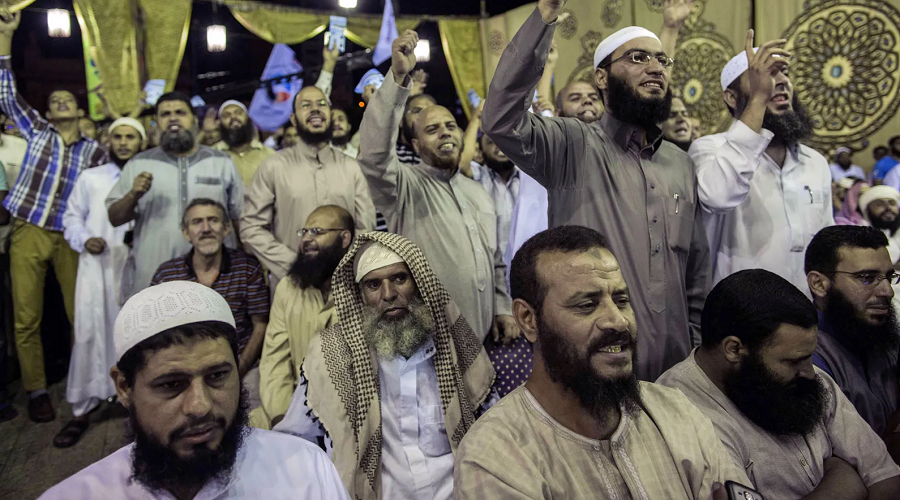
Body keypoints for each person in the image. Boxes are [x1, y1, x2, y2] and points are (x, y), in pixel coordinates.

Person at [483, 0, 711, 381]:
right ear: (602, 78)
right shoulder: (572, 145)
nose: (655, 67)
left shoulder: (680, 164)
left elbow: (697, 274)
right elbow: (501, 119)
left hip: (677, 373)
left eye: (661, 60)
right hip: (595, 372)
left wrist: (697, 354)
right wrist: (544, 18)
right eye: (637, 58)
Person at [455, 226, 748, 499]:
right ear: (528, 319)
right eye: (587, 305)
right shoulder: (495, 455)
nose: (618, 321)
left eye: (621, 301)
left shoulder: (677, 412)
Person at [38, 281, 348, 499]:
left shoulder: (305, 471)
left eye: (217, 376)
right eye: (171, 385)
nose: (200, 407)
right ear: (124, 387)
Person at [274, 231, 498, 500]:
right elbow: (293, 443)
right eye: (373, 285)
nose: (388, 294)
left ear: (419, 283)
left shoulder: (454, 343)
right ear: (361, 295)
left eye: (399, 279)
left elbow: (494, 428)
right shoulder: (332, 356)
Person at [658, 269, 900, 498]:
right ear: (734, 349)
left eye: (808, 357)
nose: (810, 373)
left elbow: (884, 477)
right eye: (794, 361)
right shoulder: (679, 412)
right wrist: (843, 475)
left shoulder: (804, 377)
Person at [358, 30, 518, 348]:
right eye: (432, 129)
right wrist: (397, 78)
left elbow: (495, 259)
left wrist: (502, 307)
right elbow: (374, 155)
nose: (445, 133)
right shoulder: (403, 187)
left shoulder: (476, 191)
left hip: (484, 342)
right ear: (416, 145)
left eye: (450, 126)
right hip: (429, 346)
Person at [0, 9, 109, 422]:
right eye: (53, 101)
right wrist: (6, 37)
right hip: (28, 229)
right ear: (47, 114)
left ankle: (89, 383)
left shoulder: (94, 152)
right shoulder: (36, 132)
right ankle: (37, 390)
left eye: (68, 100)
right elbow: (6, 94)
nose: (60, 101)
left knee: (79, 312)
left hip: (69, 236)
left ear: (79, 111)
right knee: (26, 317)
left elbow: (108, 187)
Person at [690, 32, 833, 295]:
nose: (780, 82)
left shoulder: (816, 162)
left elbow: (825, 244)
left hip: (806, 308)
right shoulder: (710, 149)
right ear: (732, 97)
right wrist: (758, 98)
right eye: (764, 76)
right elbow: (719, 196)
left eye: (783, 73)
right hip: (740, 309)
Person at [55, 118, 146, 448]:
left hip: (134, 268)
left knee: (133, 334)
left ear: (141, 142)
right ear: (108, 141)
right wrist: (84, 239)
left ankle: (138, 408)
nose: (123, 142)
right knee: (90, 334)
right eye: (117, 136)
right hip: (97, 268)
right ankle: (82, 409)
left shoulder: (147, 177)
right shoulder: (91, 177)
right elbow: (70, 217)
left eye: (130, 137)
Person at [106, 91, 243, 300]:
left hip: (217, 274)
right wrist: (133, 194)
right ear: (156, 123)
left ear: (194, 120)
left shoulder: (221, 161)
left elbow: (239, 218)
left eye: (180, 113)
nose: (173, 119)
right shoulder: (138, 163)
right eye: (165, 114)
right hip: (155, 274)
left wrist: (248, 263)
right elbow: (114, 218)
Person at [241, 85, 375, 289]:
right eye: (306, 105)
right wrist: (294, 265)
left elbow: (365, 228)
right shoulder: (273, 167)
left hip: (345, 286)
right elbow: (250, 227)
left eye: (322, 104)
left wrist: (345, 268)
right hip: (292, 285)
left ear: (330, 114)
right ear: (294, 120)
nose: (315, 109)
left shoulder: (352, 168)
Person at [151, 198, 269, 409]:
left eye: (213, 220)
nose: (206, 229)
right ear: (186, 232)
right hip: (182, 369)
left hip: (241, 365)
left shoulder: (247, 268)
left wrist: (236, 370)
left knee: (254, 411)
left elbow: (260, 325)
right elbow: (155, 331)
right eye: (197, 222)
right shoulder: (166, 275)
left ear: (226, 228)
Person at [257, 205, 352, 428]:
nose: (307, 239)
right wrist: (282, 418)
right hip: (296, 408)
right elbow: (275, 361)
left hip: (351, 412)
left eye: (317, 232)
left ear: (344, 238)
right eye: (304, 232)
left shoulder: (363, 287)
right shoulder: (288, 288)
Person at [805, 226, 900, 442]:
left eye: (889, 276)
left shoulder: (880, 335)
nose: (887, 291)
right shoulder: (804, 357)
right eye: (867, 278)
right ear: (819, 284)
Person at [214, 100, 275, 186]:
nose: (233, 117)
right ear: (220, 123)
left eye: (238, 113)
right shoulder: (212, 155)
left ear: (248, 119)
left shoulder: (268, 154)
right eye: (226, 115)